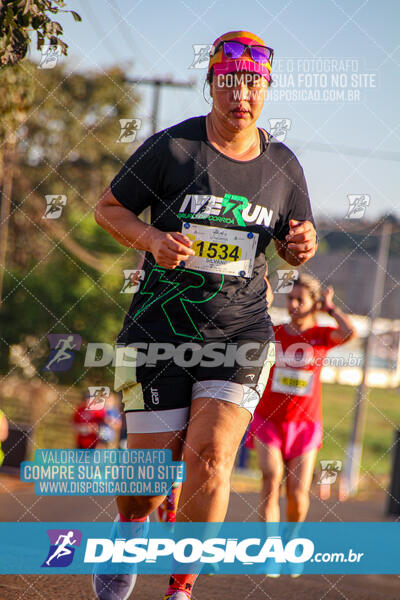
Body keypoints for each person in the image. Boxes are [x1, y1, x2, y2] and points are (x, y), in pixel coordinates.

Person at [93, 30, 318, 600]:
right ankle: (131, 528)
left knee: (213, 459)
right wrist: (151, 238)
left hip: (240, 332)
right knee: (145, 484)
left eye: (254, 84)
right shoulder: (173, 149)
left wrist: (299, 247)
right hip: (159, 332)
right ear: (211, 84)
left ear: (266, 89)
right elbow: (108, 208)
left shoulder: (283, 165)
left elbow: (296, 239)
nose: (241, 94)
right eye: (230, 82)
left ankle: (181, 587)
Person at [248, 274, 356, 575]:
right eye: (290, 299)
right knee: (271, 479)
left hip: (305, 426)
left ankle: (290, 542)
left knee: (297, 492)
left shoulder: (321, 335)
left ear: (313, 304)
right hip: (268, 421)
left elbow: (349, 332)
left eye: (300, 300)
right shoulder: (276, 332)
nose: (293, 305)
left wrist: (331, 309)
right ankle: (269, 552)